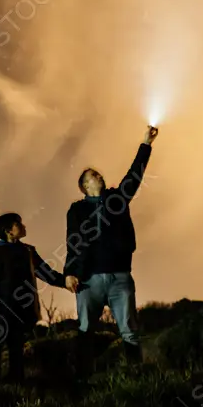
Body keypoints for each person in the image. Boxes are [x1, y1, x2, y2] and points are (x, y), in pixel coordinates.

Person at [64, 125, 158, 376]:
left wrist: (145, 144)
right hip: (88, 279)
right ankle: (84, 381)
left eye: (98, 174)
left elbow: (134, 176)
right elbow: (72, 241)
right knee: (86, 329)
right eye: (94, 175)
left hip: (119, 275)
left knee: (128, 328)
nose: (100, 176)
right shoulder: (76, 210)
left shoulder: (117, 198)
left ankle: (137, 378)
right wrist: (70, 272)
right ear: (84, 185)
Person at [0, 212, 67, 382]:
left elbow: (44, 271)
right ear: (8, 231)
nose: (23, 226)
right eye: (18, 224)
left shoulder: (28, 251)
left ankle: (16, 379)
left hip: (22, 307)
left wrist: (64, 282)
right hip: (1, 306)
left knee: (16, 344)